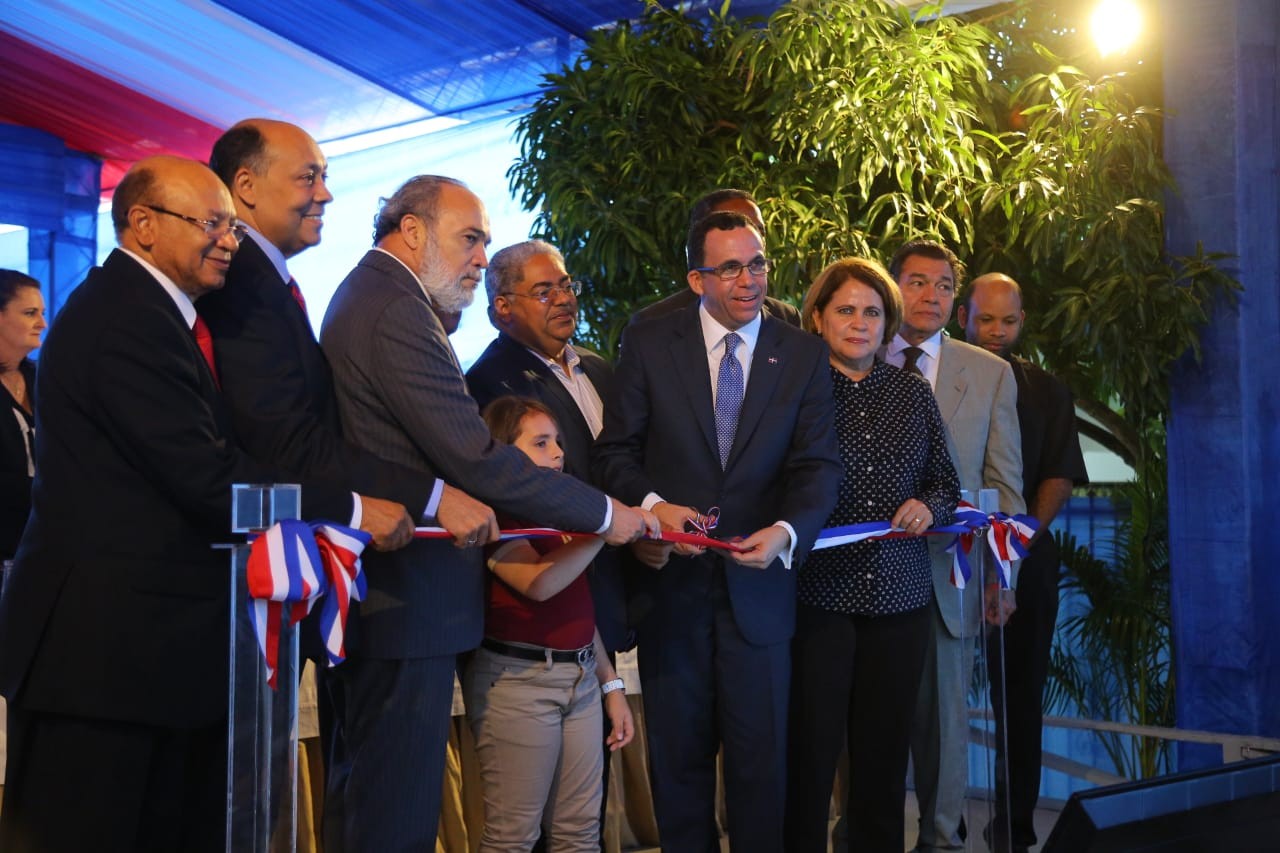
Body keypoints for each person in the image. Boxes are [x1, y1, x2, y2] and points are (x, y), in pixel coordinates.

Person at [0, 156, 354, 852]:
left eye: (231, 224)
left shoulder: (156, 313)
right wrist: (348, 506)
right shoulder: (125, 318)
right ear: (143, 225)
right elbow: (205, 477)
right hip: (99, 661)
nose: (229, 240)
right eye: (213, 223)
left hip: (146, 656)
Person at [318, 174, 656, 852]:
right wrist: (602, 514)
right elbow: (473, 454)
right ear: (412, 232)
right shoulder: (394, 308)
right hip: (404, 602)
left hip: (404, 601)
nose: (479, 256)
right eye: (469, 239)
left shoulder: (381, 297)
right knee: (394, 816)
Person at [593, 210, 842, 851]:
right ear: (697, 277)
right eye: (730, 267)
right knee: (678, 772)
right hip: (671, 596)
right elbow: (615, 452)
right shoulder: (650, 343)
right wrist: (654, 506)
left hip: (761, 601)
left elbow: (817, 467)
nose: (748, 279)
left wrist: (787, 532)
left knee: (763, 774)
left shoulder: (804, 354)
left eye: (756, 263)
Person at [785, 258, 960, 853]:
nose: (859, 323)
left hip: (900, 601)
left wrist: (929, 507)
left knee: (884, 764)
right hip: (817, 600)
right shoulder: (792, 395)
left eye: (872, 312)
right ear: (817, 317)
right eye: (845, 310)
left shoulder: (913, 394)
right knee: (810, 756)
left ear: (887, 323)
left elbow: (945, 481)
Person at [466, 240, 625, 850]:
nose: (563, 298)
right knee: (514, 836)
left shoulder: (600, 369)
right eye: (543, 290)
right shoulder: (488, 386)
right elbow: (536, 577)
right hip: (520, 670)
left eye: (566, 284)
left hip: (588, 650)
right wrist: (608, 524)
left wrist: (609, 683)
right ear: (502, 307)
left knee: (581, 831)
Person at [880, 239, 1024, 853]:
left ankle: (942, 841)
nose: (930, 295)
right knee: (870, 724)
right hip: (867, 573)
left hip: (953, 577)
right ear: (893, 287)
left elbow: (1006, 490)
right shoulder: (854, 353)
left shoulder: (990, 372)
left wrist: (1003, 580)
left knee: (945, 728)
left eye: (943, 286)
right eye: (916, 282)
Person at [958, 272, 1087, 853]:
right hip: (947, 559)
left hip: (1026, 559)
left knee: (1022, 698)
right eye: (986, 319)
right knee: (938, 694)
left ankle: (1013, 828)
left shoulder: (1047, 389)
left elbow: (1060, 474)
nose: (996, 332)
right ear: (966, 316)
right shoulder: (941, 379)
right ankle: (947, 822)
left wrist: (1017, 543)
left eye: (1008, 321)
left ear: (1022, 322)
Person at [629, 189, 802, 327]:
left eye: (758, 231)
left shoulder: (786, 318)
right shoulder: (652, 324)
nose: (747, 235)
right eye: (730, 225)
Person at [0, 270, 45, 560]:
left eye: (41, 312)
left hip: (37, 549)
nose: (42, 323)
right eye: (30, 313)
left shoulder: (43, 377)